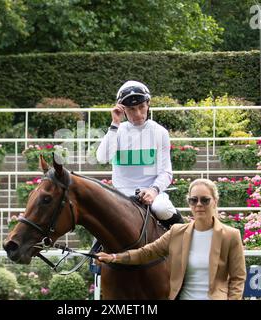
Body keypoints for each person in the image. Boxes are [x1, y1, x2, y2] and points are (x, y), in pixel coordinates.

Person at [97, 178, 246, 300]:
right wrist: (114, 257)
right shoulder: (177, 232)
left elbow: (238, 278)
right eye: (193, 200)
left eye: (205, 200)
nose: (199, 204)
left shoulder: (231, 235)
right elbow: (146, 253)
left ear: (215, 201)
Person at [96, 80, 183, 229]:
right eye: (131, 109)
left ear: (148, 104)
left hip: (151, 192)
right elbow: (102, 158)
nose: (138, 114)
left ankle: (185, 242)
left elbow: (166, 172)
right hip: (120, 195)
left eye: (141, 107)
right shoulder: (116, 131)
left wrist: (153, 191)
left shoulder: (160, 132)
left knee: (162, 208)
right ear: (123, 109)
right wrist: (115, 123)